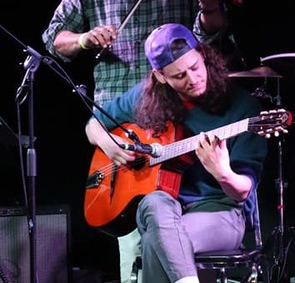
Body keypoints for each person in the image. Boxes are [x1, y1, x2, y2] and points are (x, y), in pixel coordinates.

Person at [41, 0, 238, 281]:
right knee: (133, 251)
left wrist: (211, 8)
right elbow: (53, 38)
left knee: (172, 229)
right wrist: (84, 40)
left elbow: (212, 43)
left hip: (177, 120)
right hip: (122, 122)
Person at [84, 23, 269, 283]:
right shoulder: (146, 98)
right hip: (165, 212)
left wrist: (223, 173)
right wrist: (110, 146)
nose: (192, 79)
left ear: (203, 56)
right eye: (179, 76)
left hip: (221, 214)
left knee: (157, 240)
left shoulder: (243, 108)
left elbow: (242, 190)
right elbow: (93, 125)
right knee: (153, 203)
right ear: (160, 77)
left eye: (195, 68)